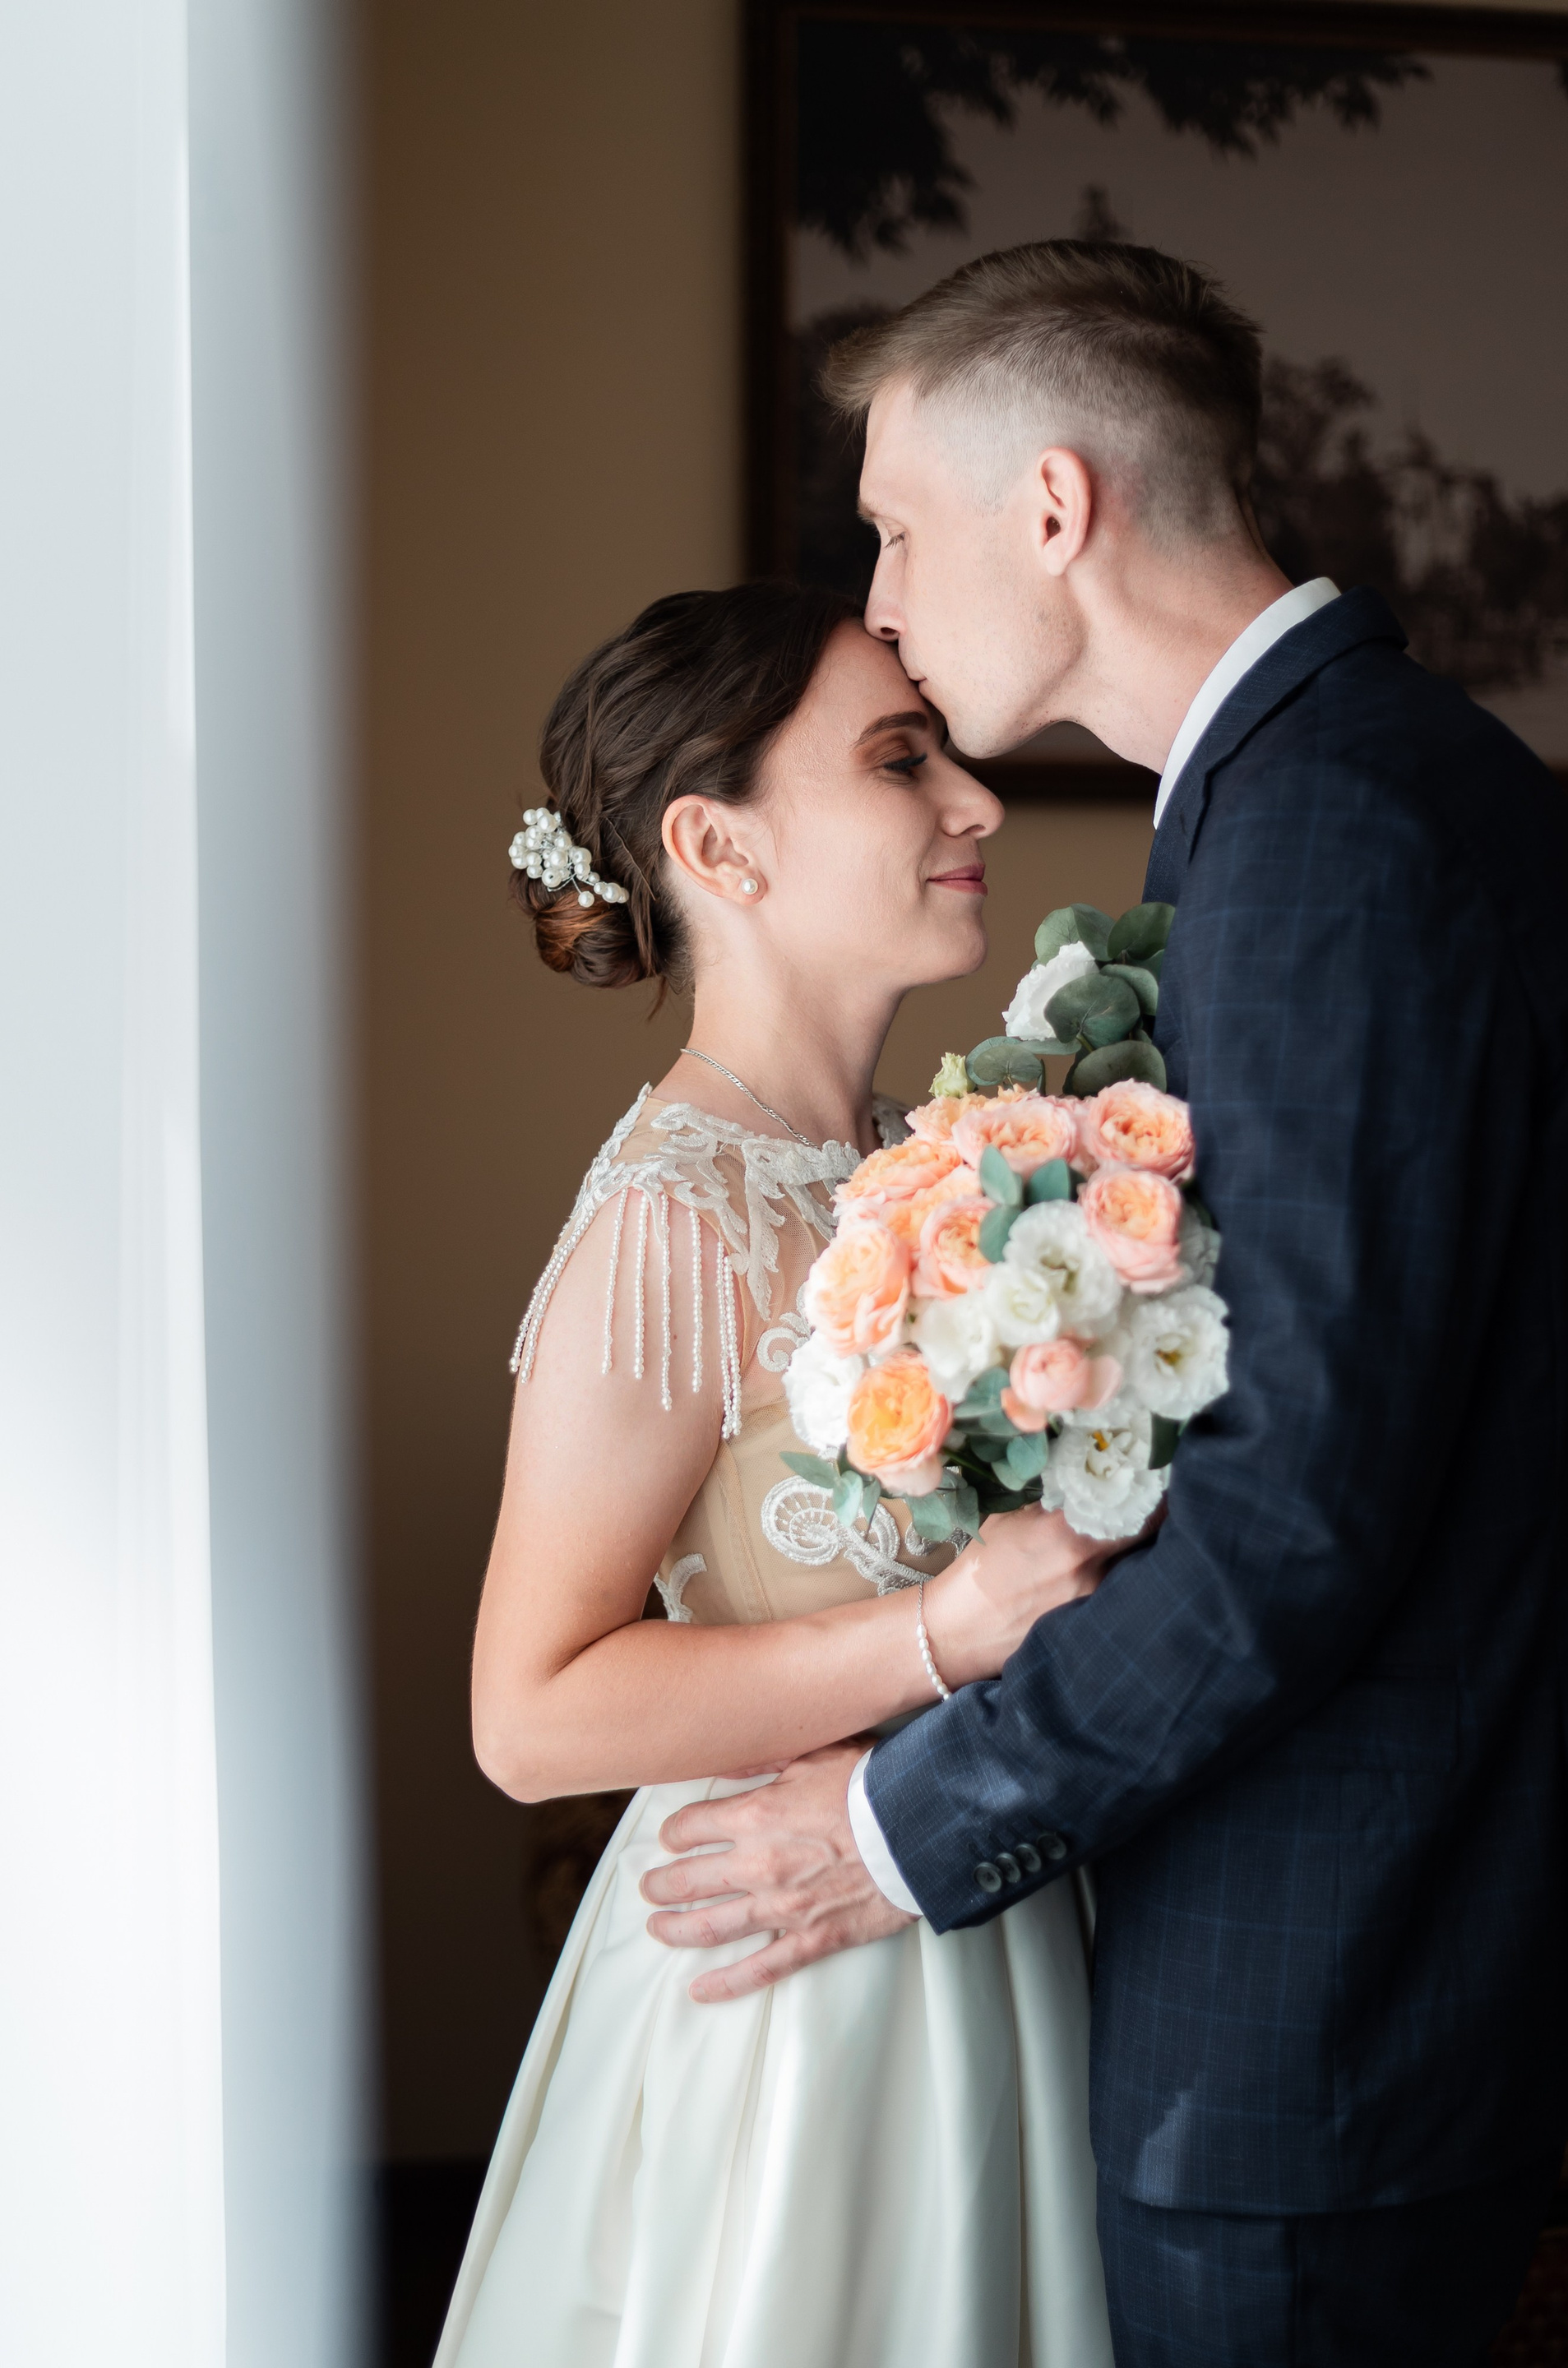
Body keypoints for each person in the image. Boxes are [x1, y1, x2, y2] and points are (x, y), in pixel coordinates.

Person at [641, 241, 1568, 2366]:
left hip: (1324, 1984)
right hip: (1343, 1952)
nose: (881, 598)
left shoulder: (1331, 830)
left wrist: (904, 1831)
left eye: (897, 527)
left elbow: (1301, 1505)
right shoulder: (1319, 792)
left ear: (1053, 507)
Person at [433, 579, 1122, 2367]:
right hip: (802, 2009)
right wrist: (941, 1636)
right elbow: (529, 1713)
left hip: (998, 1920)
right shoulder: (670, 1222)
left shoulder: (927, 1160)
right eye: (901, 761)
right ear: (715, 846)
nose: (976, 802)